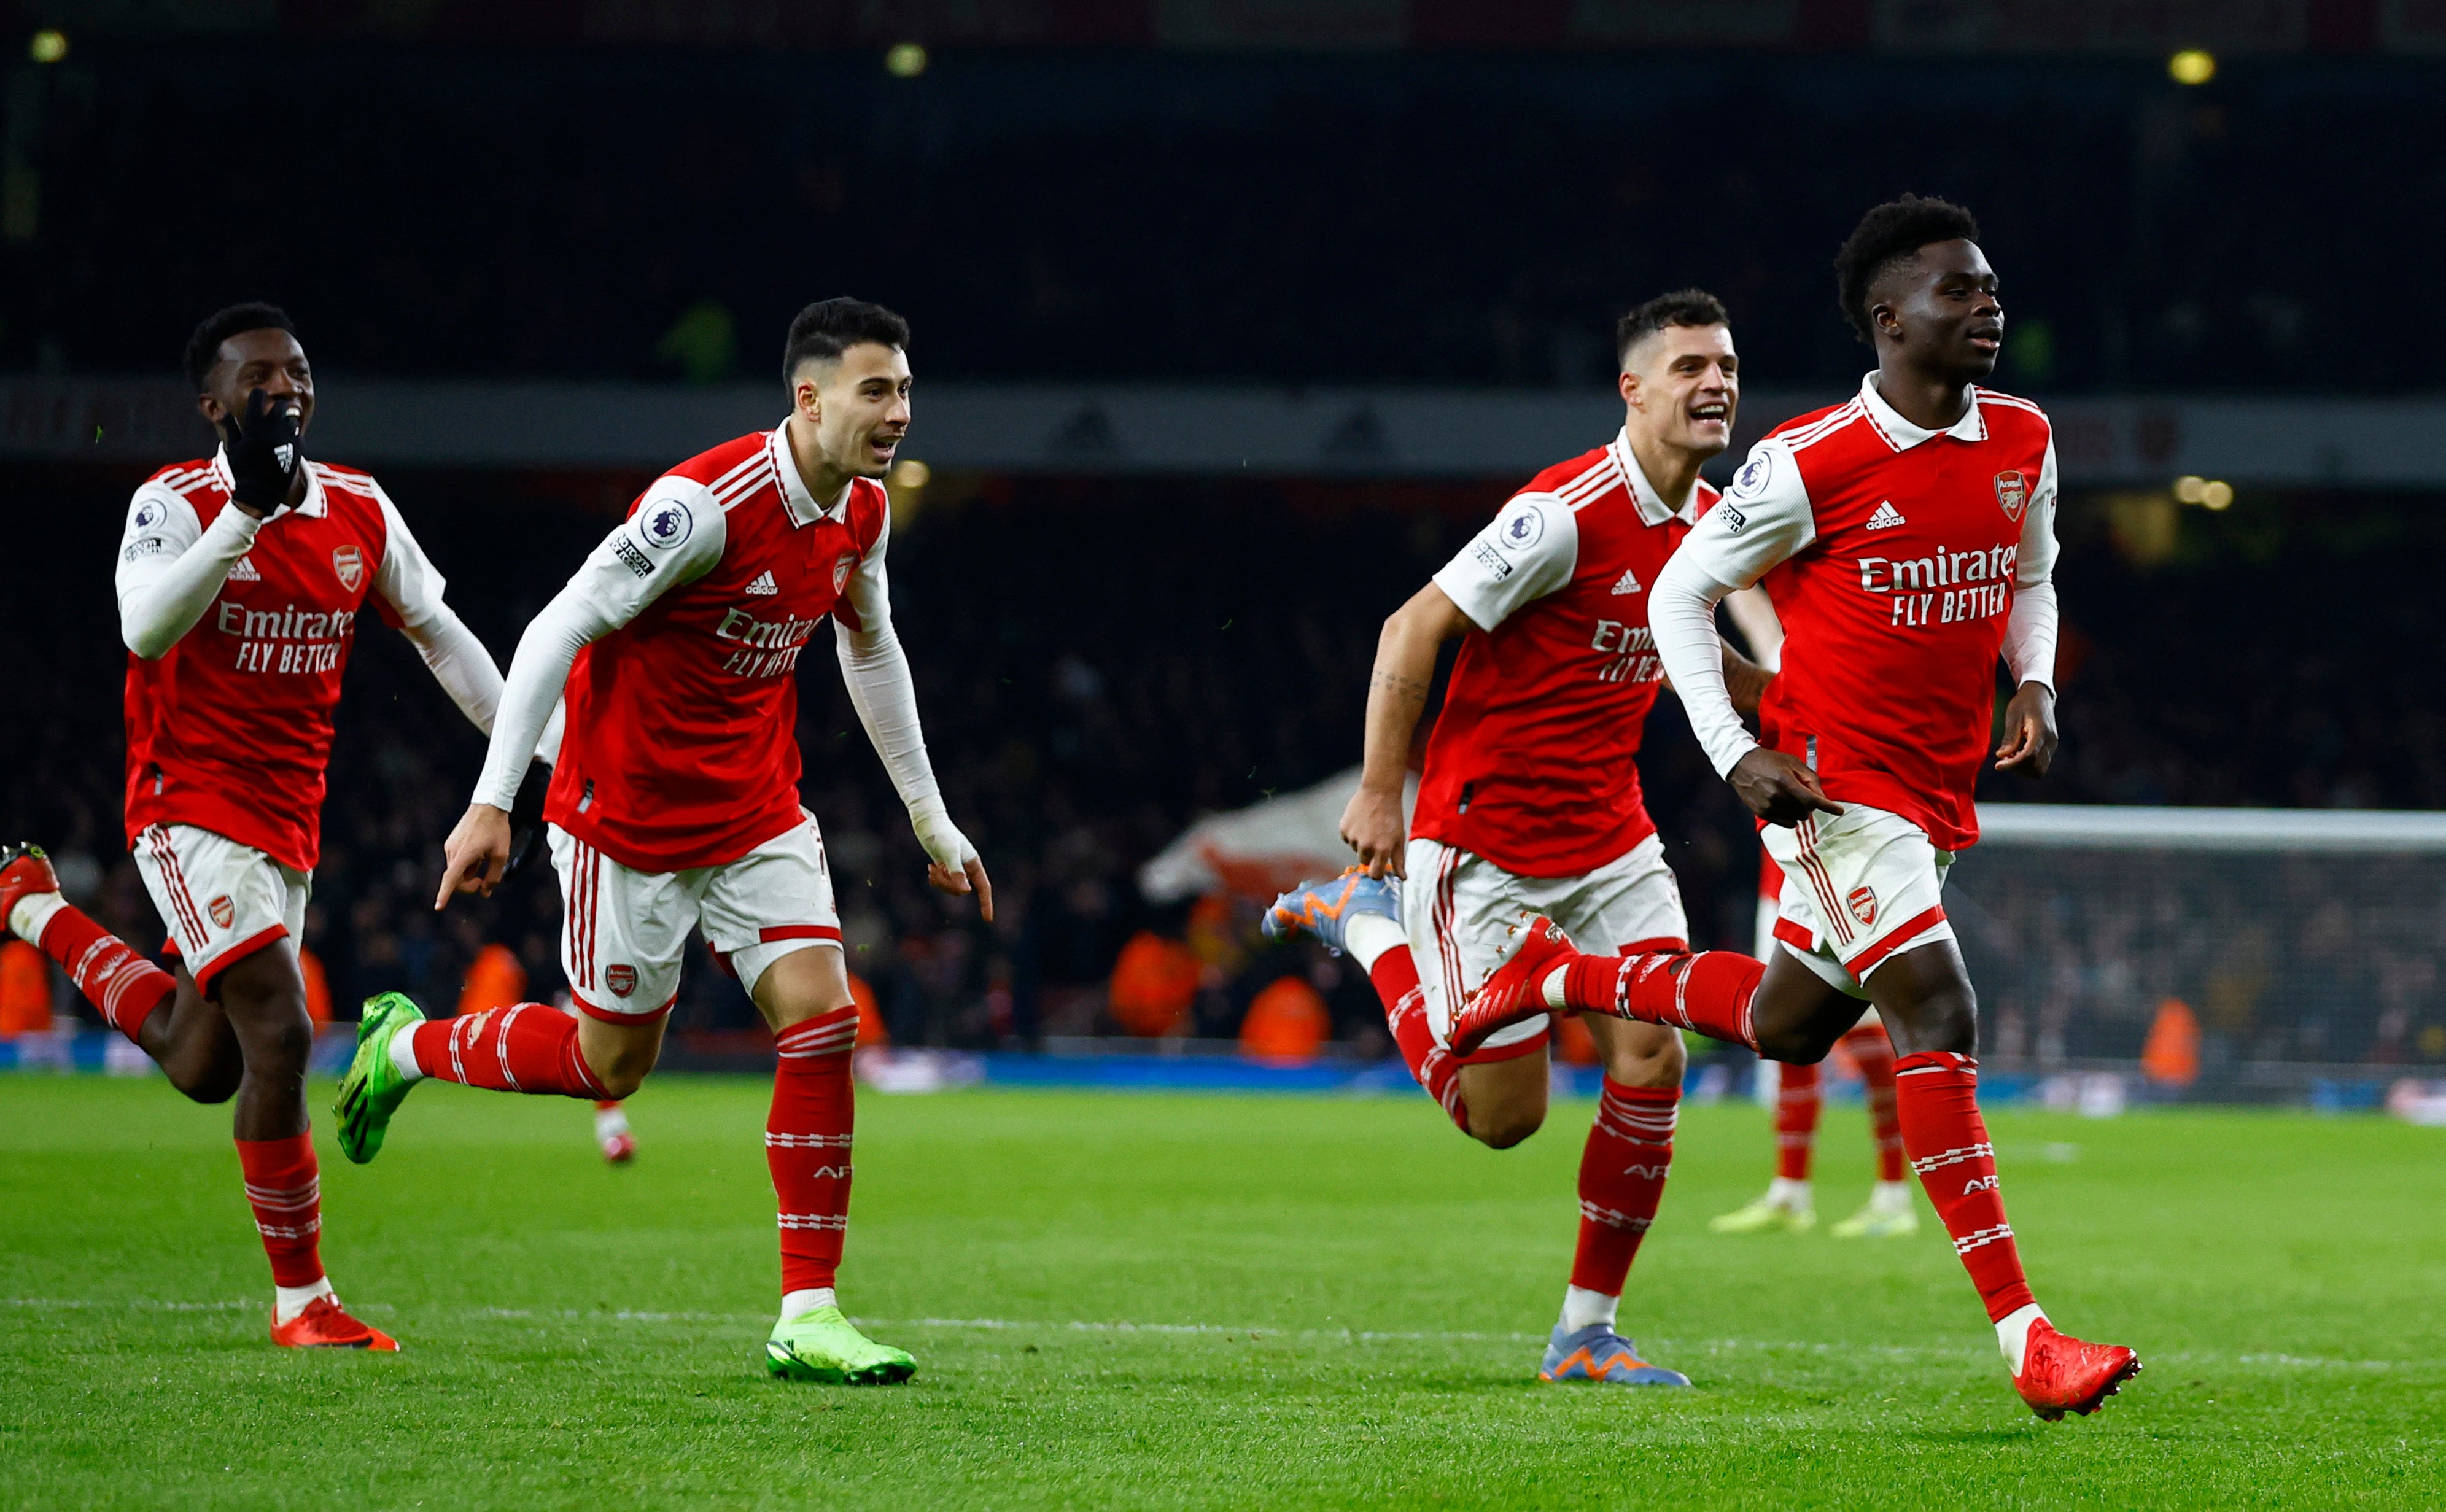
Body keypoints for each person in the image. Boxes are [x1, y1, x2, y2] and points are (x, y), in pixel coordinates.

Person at [1446, 197, 2140, 1420]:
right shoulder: (1811, 460)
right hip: (1837, 787)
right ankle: (2028, 1338)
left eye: (1989, 288)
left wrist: (2030, 677)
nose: (1988, 306)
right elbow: (1677, 594)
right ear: (1889, 320)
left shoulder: (2025, 436)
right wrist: (1733, 755)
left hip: (1933, 791)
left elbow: (2033, 572)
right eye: (1958, 292)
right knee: (1938, 1004)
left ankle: (1560, 975)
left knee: (1790, 1024)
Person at [333, 297, 990, 1387]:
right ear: (810, 397)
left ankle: (809, 1310)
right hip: (624, 820)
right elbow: (558, 626)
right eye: (876, 390)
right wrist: (495, 798)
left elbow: (870, 649)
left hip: (757, 813)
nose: (898, 412)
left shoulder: (861, 514)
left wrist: (930, 816)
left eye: (906, 390)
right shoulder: (705, 505)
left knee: (822, 1021)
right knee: (609, 1065)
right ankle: (406, 1048)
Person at [1264, 290, 1772, 1387]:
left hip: (1609, 837)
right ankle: (1367, 927)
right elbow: (1414, 624)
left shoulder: (1712, 523)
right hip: (1480, 839)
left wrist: (1787, 702)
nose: (1713, 383)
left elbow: (1694, 655)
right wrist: (1377, 792)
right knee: (1501, 1118)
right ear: (1630, 389)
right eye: (1686, 366)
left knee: (1651, 1051)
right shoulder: (1564, 513)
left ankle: (1585, 1331)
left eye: (1725, 365)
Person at [0, 303, 526, 1349]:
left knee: (208, 1064)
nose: (282, 389)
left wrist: (532, 757)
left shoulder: (360, 511)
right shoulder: (175, 501)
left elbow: (444, 639)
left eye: (296, 371)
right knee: (281, 1032)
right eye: (257, 377)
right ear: (213, 404)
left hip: (290, 823)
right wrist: (241, 515)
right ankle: (303, 1302)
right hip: (185, 805)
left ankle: (35, 910)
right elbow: (143, 625)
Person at [1712, 853, 1916, 1238]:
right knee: (1785, 1031)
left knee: (1870, 1038)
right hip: (1781, 885)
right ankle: (1790, 1192)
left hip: (1844, 873)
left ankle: (1894, 1197)